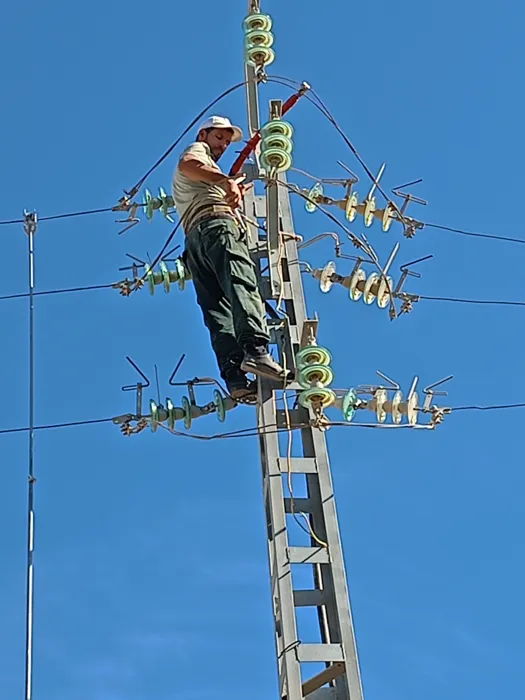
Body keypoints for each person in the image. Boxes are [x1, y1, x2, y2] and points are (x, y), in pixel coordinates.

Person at [172, 115, 290, 403]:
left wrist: (230, 189)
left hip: (196, 244)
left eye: (227, 140)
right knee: (241, 285)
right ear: (204, 134)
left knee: (218, 311)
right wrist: (226, 182)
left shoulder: (206, 180)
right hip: (216, 229)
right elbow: (188, 164)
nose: (223, 144)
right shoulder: (198, 153)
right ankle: (257, 352)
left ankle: (235, 378)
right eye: (219, 137)